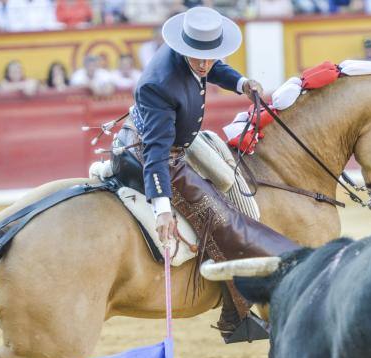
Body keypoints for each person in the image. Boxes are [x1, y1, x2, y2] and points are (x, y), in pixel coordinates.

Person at [117, 6, 296, 340]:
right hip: (154, 156)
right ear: (183, 48)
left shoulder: (195, 52)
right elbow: (156, 152)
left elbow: (210, 68)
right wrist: (162, 208)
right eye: (196, 57)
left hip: (178, 144)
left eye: (209, 57)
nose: (203, 64)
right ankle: (236, 317)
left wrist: (240, 82)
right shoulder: (158, 84)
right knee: (221, 220)